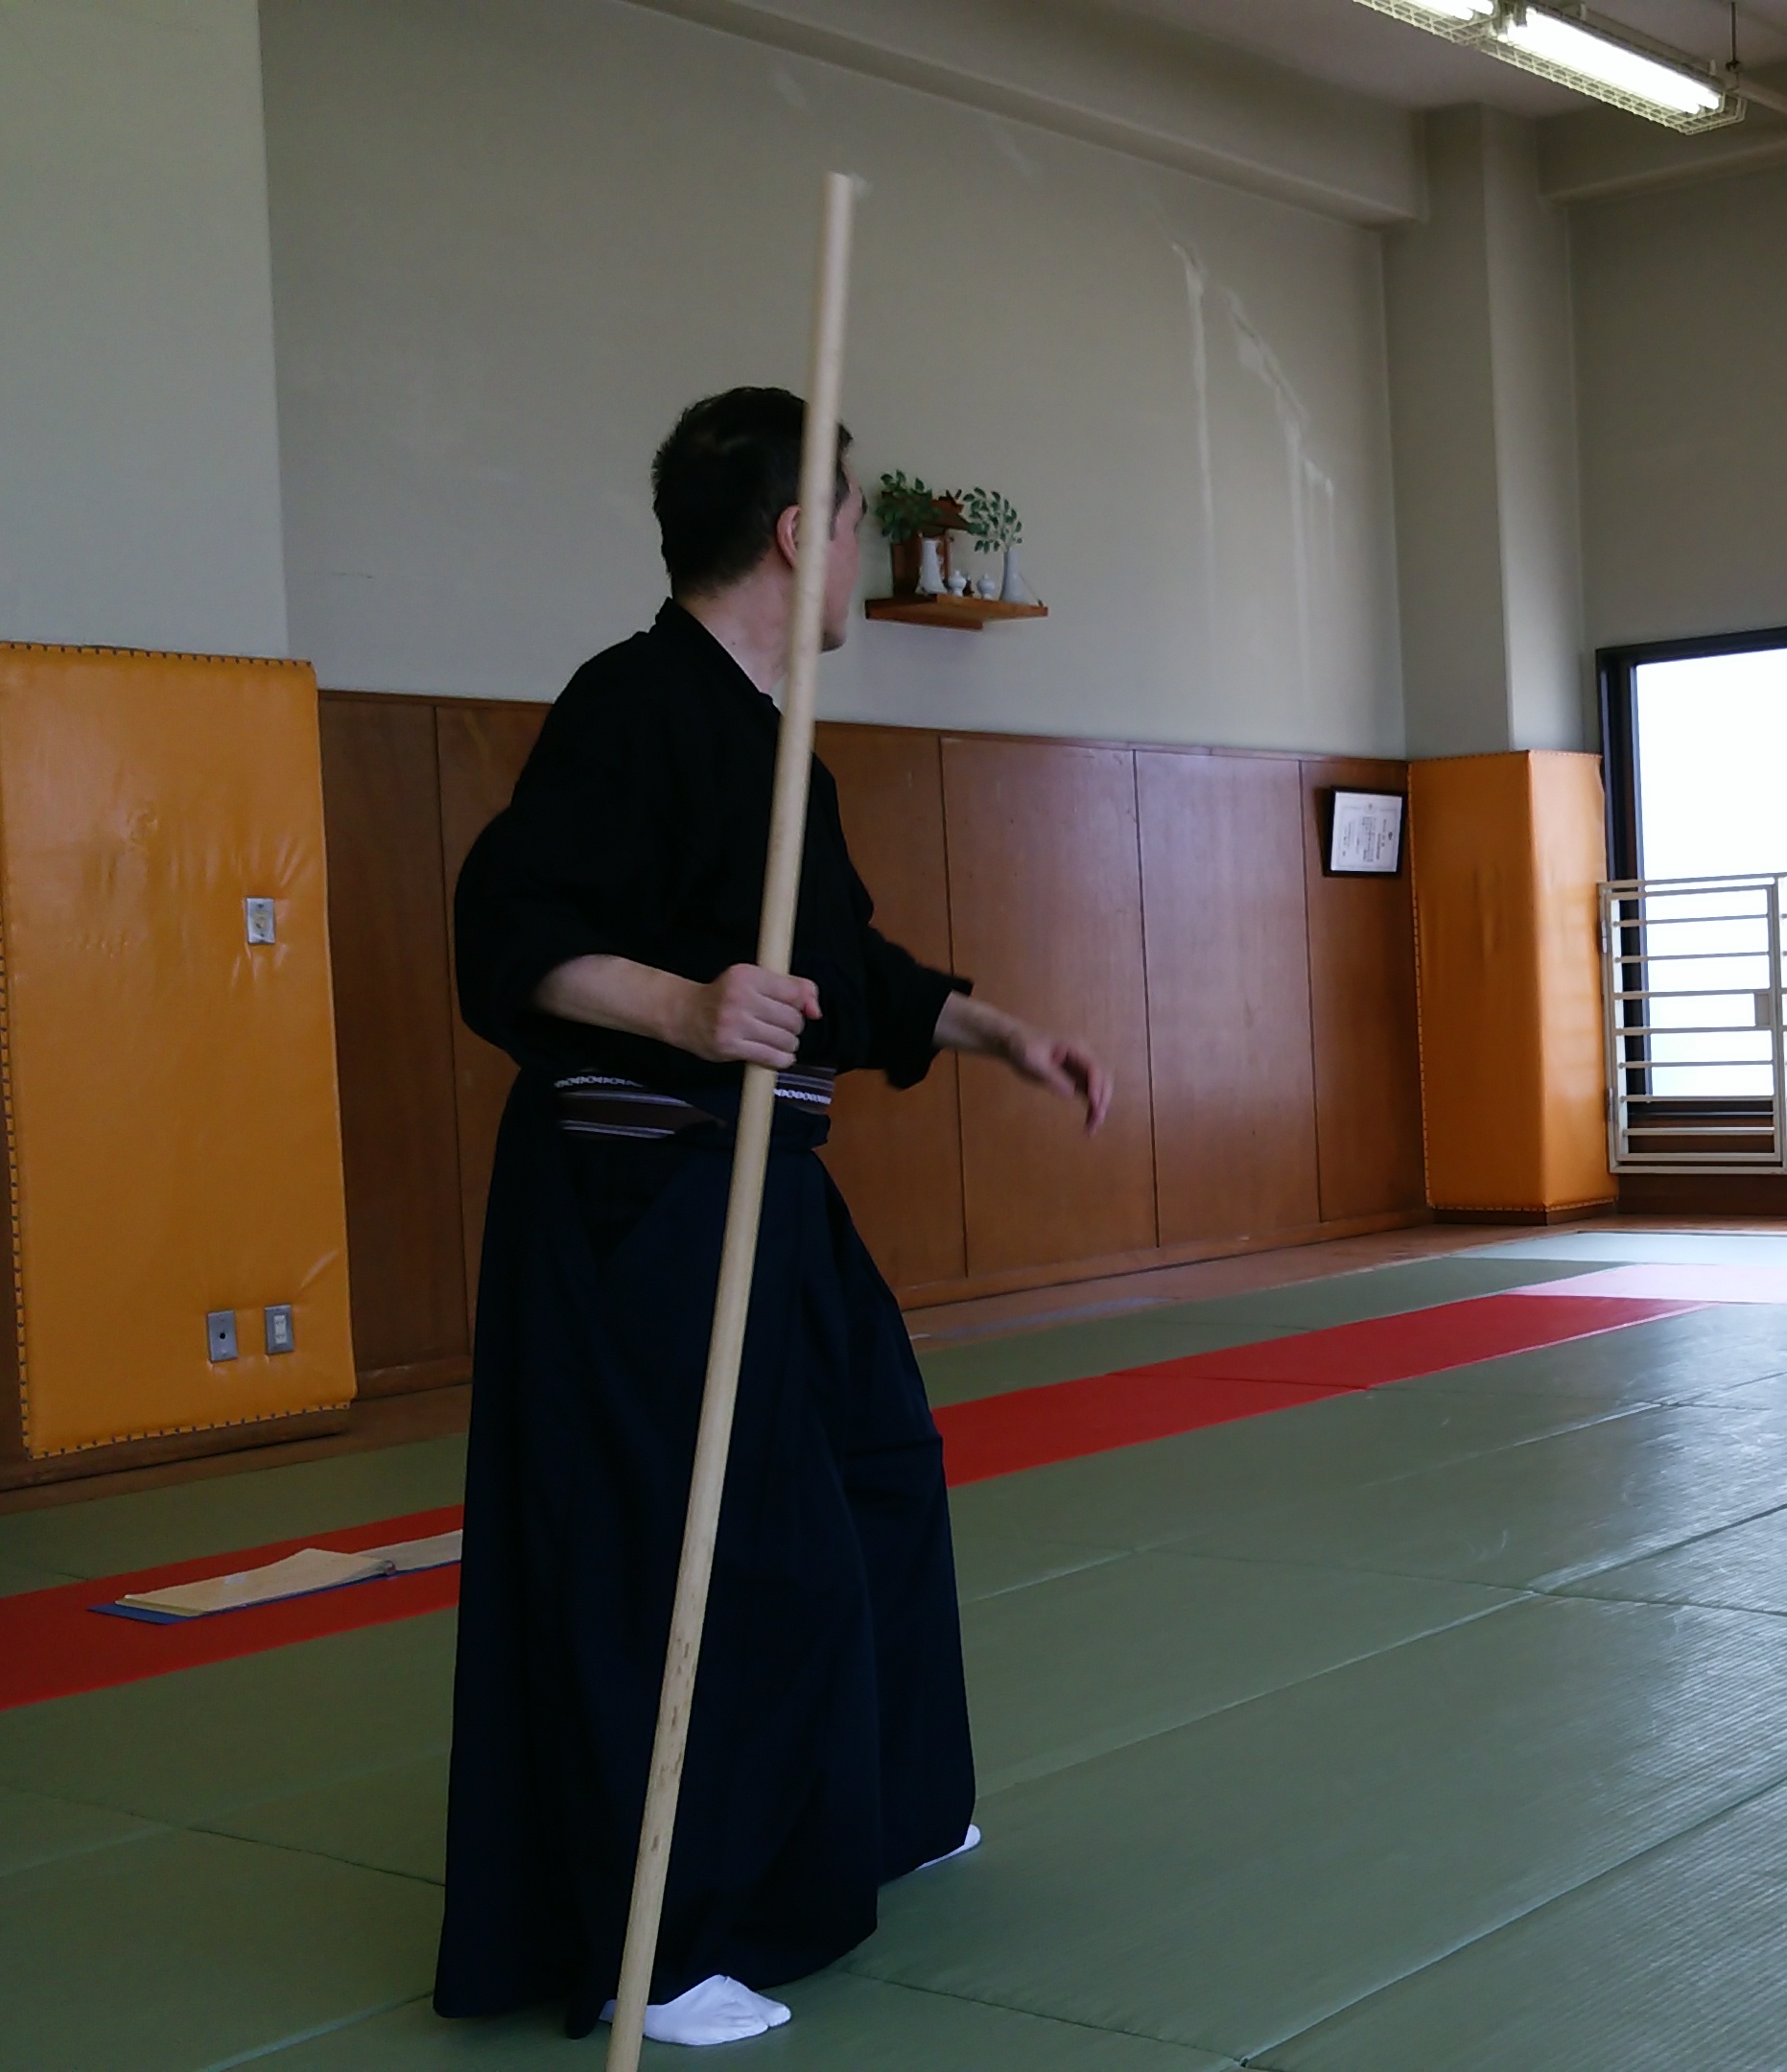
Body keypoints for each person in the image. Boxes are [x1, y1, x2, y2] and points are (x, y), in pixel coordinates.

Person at [434, 388, 1111, 2045]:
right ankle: (654, 1950)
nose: (863, 554)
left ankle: (879, 1808)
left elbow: (846, 973)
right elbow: (509, 931)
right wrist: (681, 1007)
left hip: (768, 1188)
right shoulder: (631, 703)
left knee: (877, 1470)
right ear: (801, 534)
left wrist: (996, 1032)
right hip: (640, 1195)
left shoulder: (771, 740)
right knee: (691, 1559)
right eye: (858, 522)